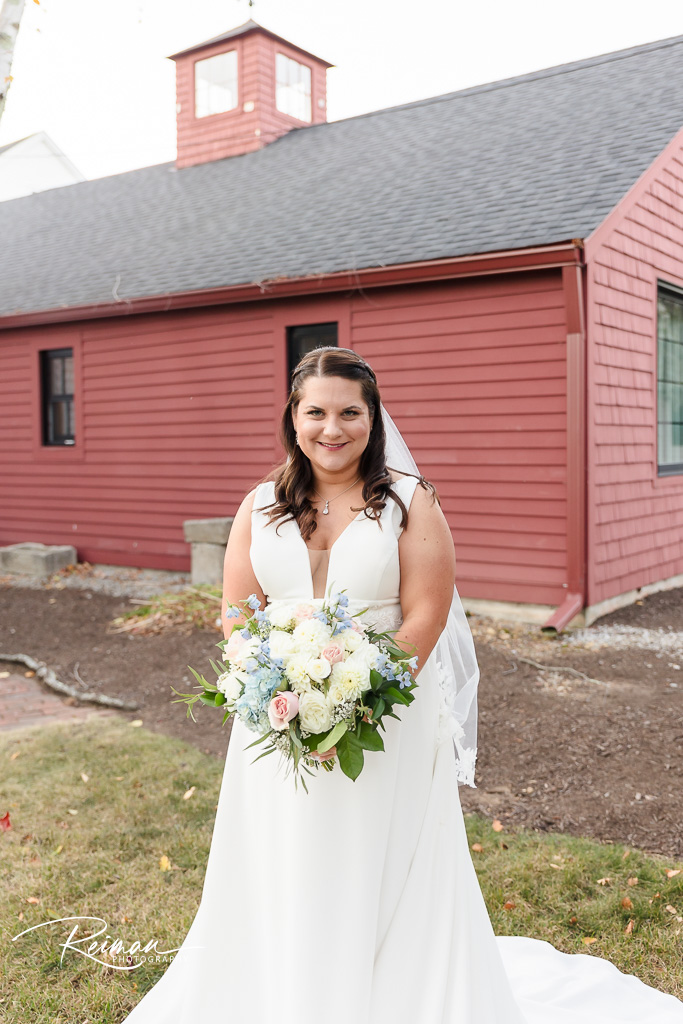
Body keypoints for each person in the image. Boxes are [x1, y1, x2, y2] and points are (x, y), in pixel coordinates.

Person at [122, 347, 683, 1023]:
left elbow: (425, 613)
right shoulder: (259, 505)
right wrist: (271, 686)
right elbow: (238, 613)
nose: (333, 428)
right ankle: (285, 985)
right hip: (274, 713)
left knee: (372, 855)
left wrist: (354, 704)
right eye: (316, 412)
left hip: (382, 711)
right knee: (283, 850)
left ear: (372, 417)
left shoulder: (409, 503)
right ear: (293, 418)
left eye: (349, 412)